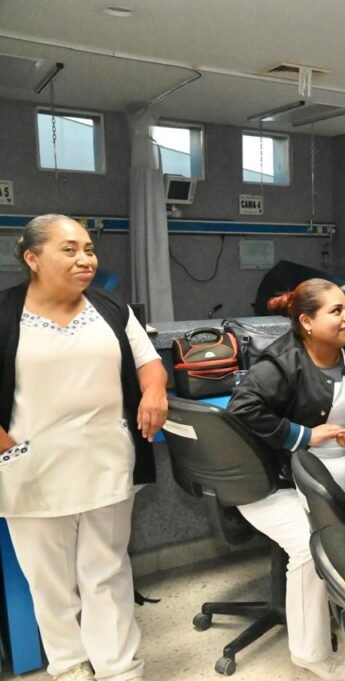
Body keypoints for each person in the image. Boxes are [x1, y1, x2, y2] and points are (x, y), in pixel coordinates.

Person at [0, 214, 167, 681]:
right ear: (32, 258)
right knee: (49, 581)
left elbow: (149, 362)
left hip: (105, 460)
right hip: (32, 466)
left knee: (107, 572)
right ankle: (70, 665)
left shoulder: (112, 308)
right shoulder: (4, 312)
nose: (85, 259)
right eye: (69, 249)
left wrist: (154, 391)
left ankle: (118, 668)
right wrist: (6, 448)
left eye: (89, 249)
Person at [229, 278, 345, 681]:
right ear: (306, 321)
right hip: (282, 483)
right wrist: (303, 436)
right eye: (336, 311)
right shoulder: (281, 362)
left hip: (344, 474)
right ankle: (311, 653)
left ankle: (342, 606)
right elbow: (242, 409)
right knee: (310, 551)